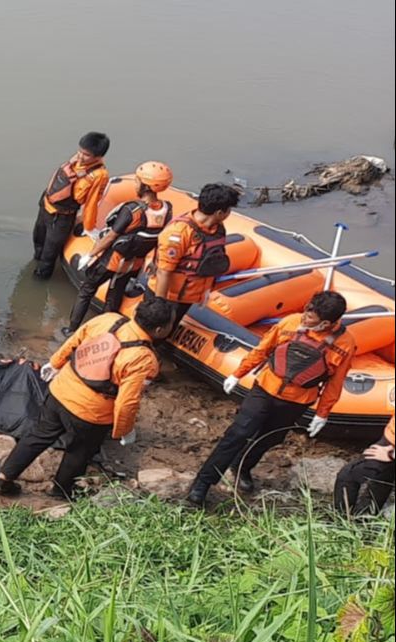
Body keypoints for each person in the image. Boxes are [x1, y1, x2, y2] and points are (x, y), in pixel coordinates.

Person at [0, 297, 175, 499]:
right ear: (159, 330)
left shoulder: (108, 320)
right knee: (79, 452)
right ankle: (61, 491)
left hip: (60, 391)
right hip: (90, 413)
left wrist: (55, 363)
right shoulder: (144, 358)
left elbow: (74, 341)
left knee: (38, 436)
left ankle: (3, 479)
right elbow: (127, 402)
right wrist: (123, 430)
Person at [187, 291, 357, 505]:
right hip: (265, 388)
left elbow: (335, 381)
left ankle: (243, 465)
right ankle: (203, 482)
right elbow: (263, 349)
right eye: (306, 312)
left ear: (325, 324)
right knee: (239, 432)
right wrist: (238, 373)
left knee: (271, 438)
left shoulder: (345, 344)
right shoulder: (290, 323)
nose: (304, 318)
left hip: (297, 400)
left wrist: (322, 413)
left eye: (310, 318)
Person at [63, 161, 174, 335]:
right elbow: (161, 238)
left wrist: (91, 255)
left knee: (87, 290)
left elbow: (111, 236)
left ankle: (71, 329)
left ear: (146, 186)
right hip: (134, 263)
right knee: (114, 296)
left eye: (137, 181)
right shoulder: (167, 210)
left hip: (112, 260)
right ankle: (106, 334)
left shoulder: (132, 210)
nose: (135, 183)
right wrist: (154, 260)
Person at [152, 183, 242, 329]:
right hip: (169, 295)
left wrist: (205, 292)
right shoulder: (179, 232)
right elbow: (164, 271)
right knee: (158, 329)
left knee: (170, 328)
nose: (229, 213)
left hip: (189, 296)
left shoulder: (217, 229)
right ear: (220, 213)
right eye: (229, 210)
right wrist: (158, 306)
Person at [33, 132, 110, 279]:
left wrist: (89, 227)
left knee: (49, 254)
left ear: (98, 156)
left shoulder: (99, 175)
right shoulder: (76, 161)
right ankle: (35, 261)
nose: (80, 156)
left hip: (62, 217)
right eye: (80, 151)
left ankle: (40, 280)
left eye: (86, 154)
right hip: (46, 206)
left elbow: (92, 203)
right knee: (38, 240)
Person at [334, 415, 395, 516]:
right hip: (390, 439)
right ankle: (343, 520)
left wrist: (391, 454)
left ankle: (365, 520)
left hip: (390, 449)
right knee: (347, 476)